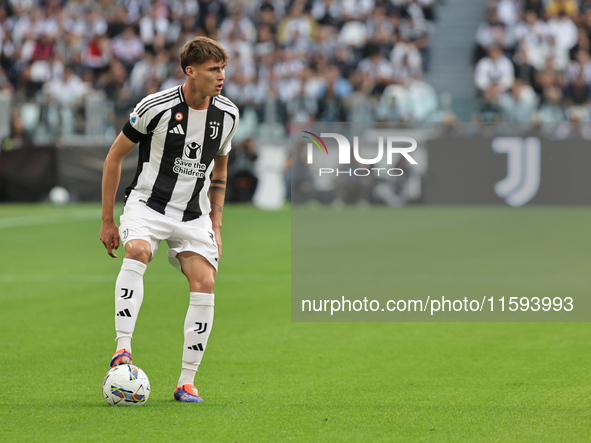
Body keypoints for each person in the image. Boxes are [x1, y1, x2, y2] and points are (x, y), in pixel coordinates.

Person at [99, 36, 239, 403]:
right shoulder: (155, 106)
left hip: (193, 215)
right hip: (148, 206)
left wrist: (217, 227)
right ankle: (123, 349)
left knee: (205, 281)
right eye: (213, 69)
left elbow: (220, 173)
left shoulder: (228, 115)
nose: (221, 76)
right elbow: (114, 158)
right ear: (191, 71)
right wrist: (107, 220)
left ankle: (186, 382)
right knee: (139, 251)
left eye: (223, 68)